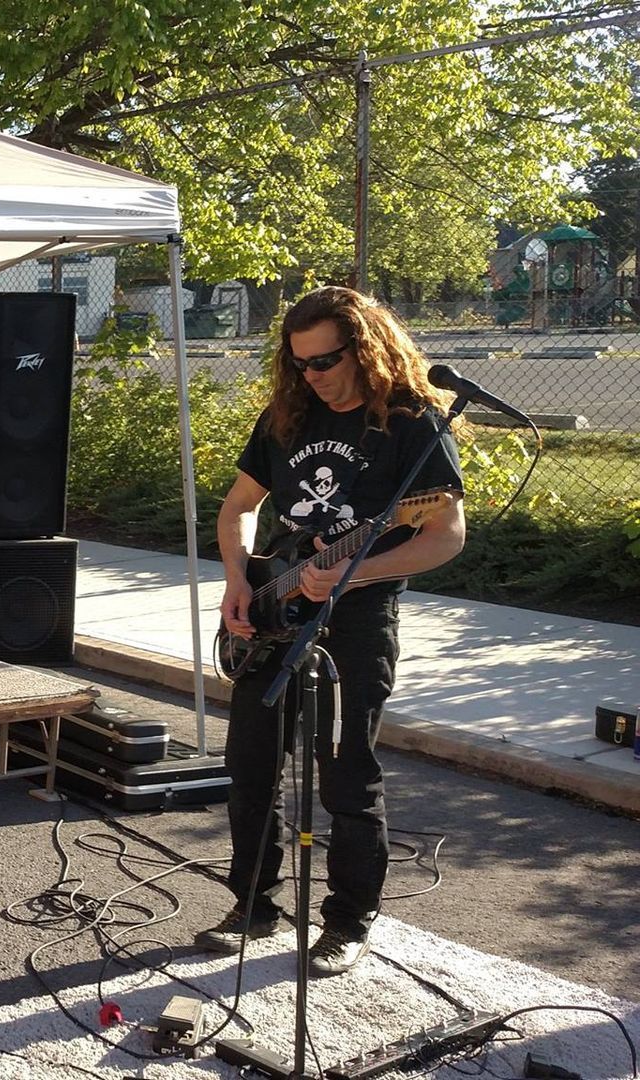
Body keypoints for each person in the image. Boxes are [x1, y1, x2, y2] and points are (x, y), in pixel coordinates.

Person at [196, 286, 466, 977]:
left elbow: (443, 536)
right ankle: (253, 904)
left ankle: (348, 922)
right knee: (251, 768)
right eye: (301, 363)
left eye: (325, 361)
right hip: (272, 606)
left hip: (357, 619)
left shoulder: (411, 426)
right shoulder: (287, 417)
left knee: (347, 776)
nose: (312, 375)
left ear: (365, 346)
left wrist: (357, 575)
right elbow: (237, 511)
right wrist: (236, 580)